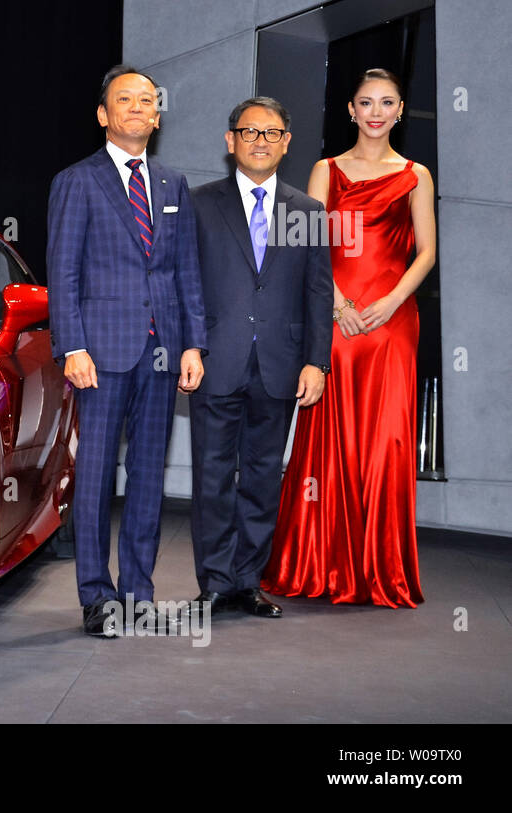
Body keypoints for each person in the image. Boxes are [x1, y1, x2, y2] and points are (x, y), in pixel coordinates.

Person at [264, 68, 436, 608]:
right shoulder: (325, 171)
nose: (377, 112)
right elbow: (309, 247)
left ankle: (379, 569)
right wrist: (338, 305)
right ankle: (317, 563)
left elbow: (426, 252)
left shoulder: (416, 174)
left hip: (391, 326)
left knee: (386, 444)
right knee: (325, 441)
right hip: (334, 321)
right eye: (366, 102)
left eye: (387, 102)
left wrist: (389, 302)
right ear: (351, 110)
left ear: (401, 110)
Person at [46, 64, 207, 637]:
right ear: (103, 114)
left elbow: (187, 271)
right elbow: (62, 274)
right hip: (100, 353)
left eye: (147, 101)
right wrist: (72, 346)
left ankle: (139, 591)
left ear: (157, 115)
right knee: (93, 476)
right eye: (125, 100)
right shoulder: (76, 181)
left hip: (163, 351)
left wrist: (193, 344)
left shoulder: (172, 184)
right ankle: (96, 594)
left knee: (146, 475)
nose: (138, 108)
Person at [187, 97, 333, 620]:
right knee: (211, 476)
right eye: (249, 131)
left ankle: (247, 580)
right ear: (230, 140)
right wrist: (189, 345)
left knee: (262, 476)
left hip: (281, 364)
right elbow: (188, 286)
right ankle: (214, 581)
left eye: (272, 133)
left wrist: (317, 361)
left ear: (287, 143)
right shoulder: (199, 203)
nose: (260, 141)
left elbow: (319, 292)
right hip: (213, 361)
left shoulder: (309, 212)